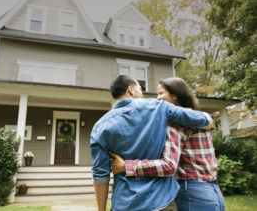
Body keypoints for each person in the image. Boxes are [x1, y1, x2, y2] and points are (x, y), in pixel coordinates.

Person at [90, 75, 214, 211]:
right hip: (161, 202)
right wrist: (209, 120)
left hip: (124, 204)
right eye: (140, 89)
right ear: (130, 89)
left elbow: (100, 175)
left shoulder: (99, 127)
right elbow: (203, 119)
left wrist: (101, 209)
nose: (142, 94)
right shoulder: (159, 107)